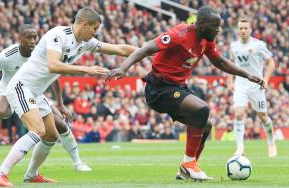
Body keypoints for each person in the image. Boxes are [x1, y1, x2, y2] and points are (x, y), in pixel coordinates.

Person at [106, 6, 265, 181]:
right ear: (201, 23)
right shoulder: (179, 34)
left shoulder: (206, 40)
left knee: (206, 126)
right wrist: (123, 67)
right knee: (202, 109)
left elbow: (219, 61)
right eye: (214, 26)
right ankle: (189, 165)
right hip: (158, 88)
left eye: (219, 26)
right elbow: (147, 48)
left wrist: (247, 75)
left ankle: (186, 170)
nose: (218, 30)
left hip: (177, 87)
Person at [0, 7, 137, 186]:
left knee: (51, 135)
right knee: (37, 130)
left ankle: (31, 174)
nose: (95, 33)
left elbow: (119, 49)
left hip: (36, 92)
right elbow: (53, 65)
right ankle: (0, 173)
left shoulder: (85, 43)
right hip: (22, 86)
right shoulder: (58, 35)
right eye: (94, 28)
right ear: (84, 24)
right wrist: (85, 69)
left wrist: (151, 50)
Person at [0, 25, 92, 175]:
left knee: (59, 127)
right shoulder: (9, 54)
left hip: (33, 92)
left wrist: (60, 104)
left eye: (35, 37)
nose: (33, 41)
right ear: (20, 39)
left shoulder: (41, 52)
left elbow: (54, 77)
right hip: (8, 90)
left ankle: (74, 163)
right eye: (29, 37)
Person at [228, 18, 277, 157]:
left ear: (250, 29)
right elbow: (230, 64)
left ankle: (271, 142)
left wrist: (266, 79)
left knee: (262, 116)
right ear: (238, 30)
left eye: (245, 28)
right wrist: (230, 81)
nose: (243, 30)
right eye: (241, 28)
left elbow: (271, 63)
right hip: (241, 85)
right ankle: (240, 147)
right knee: (238, 113)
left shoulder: (259, 45)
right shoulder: (234, 47)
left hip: (257, 86)